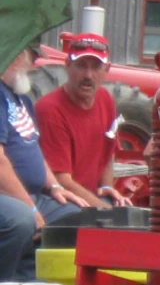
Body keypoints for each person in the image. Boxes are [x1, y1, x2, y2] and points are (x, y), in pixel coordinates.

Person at [0, 46, 87, 282]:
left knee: (76, 218)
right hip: (8, 195)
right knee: (21, 221)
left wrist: (55, 187)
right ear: (16, 55)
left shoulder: (21, 100)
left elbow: (32, 149)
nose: (34, 64)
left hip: (28, 194)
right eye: (33, 57)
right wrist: (31, 208)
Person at [34, 33, 132, 209]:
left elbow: (107, 155)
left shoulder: (106, 99)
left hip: (90, 196)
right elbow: (60, 179)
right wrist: (105, 211)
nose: (88, 75)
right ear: (68, 66)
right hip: (58, 198)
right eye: (81, 66)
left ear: (107, 70)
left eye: (96, 67)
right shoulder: (50, 109)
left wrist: (107, 187)